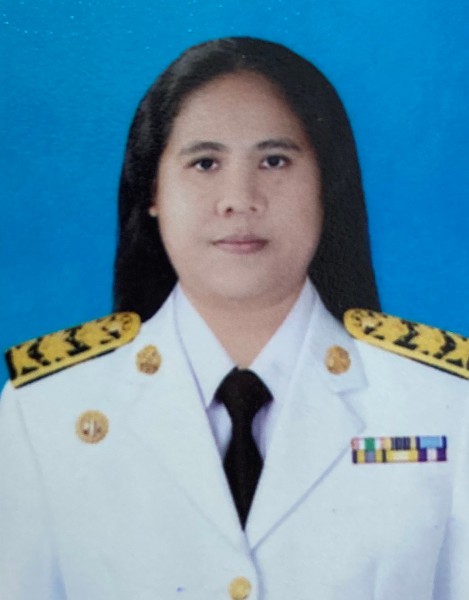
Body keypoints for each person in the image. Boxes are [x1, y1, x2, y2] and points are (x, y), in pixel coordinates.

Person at [0, 37, 468, 600]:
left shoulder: (442, 403)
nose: (239, 199)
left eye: (274, 161)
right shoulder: (46, 412)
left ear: (327, 184)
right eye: (205, 163)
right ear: (152, 190)